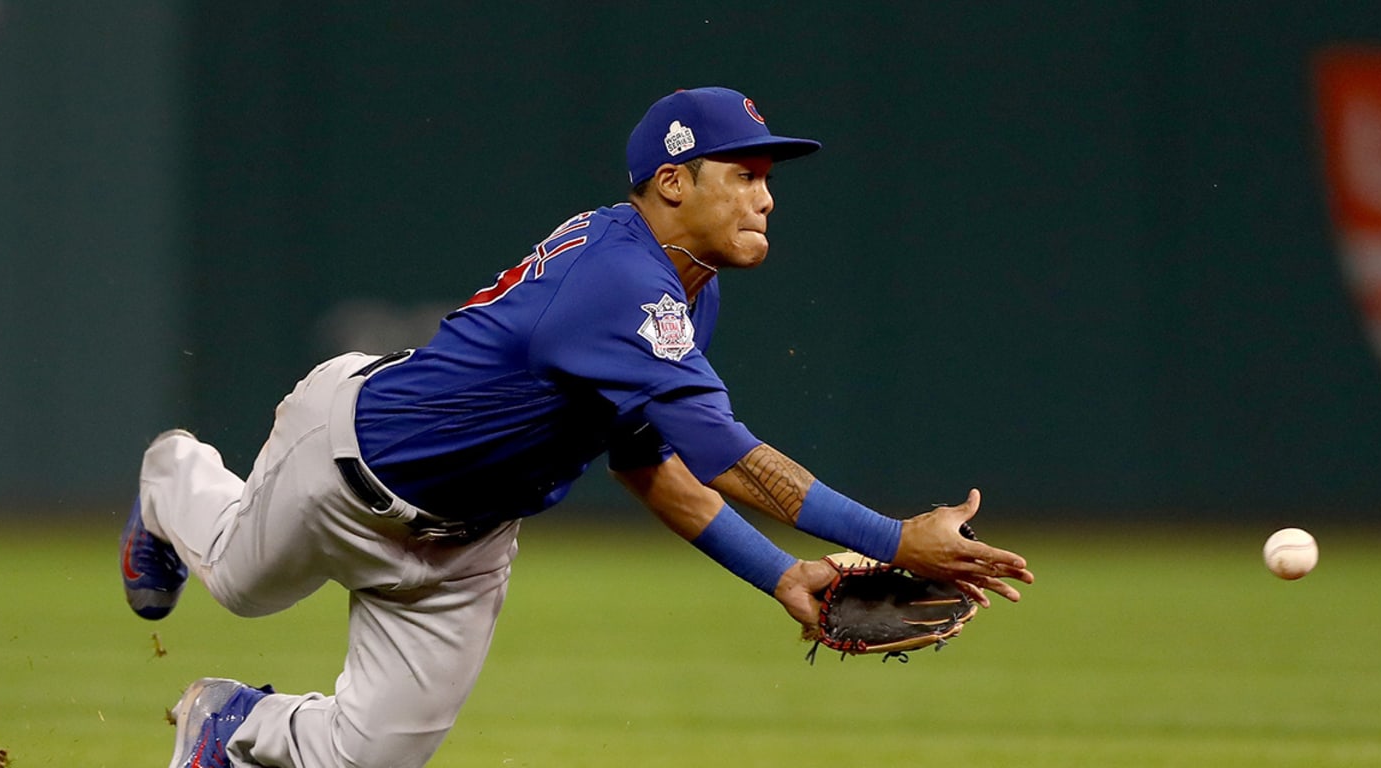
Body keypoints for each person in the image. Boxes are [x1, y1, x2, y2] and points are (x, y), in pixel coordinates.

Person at [120, 86, 1035, 768]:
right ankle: (172, 475)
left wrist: (783, 575)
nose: (765, 196)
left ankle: (232, 724)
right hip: (352, 464)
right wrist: (893, 538)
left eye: (768, 177)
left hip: (466, 543)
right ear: (672, 181)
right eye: (744, 174)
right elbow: (724, 456)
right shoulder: (622, 281)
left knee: (366, 758)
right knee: (241, 588)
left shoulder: (685, 289)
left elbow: (651, 468)